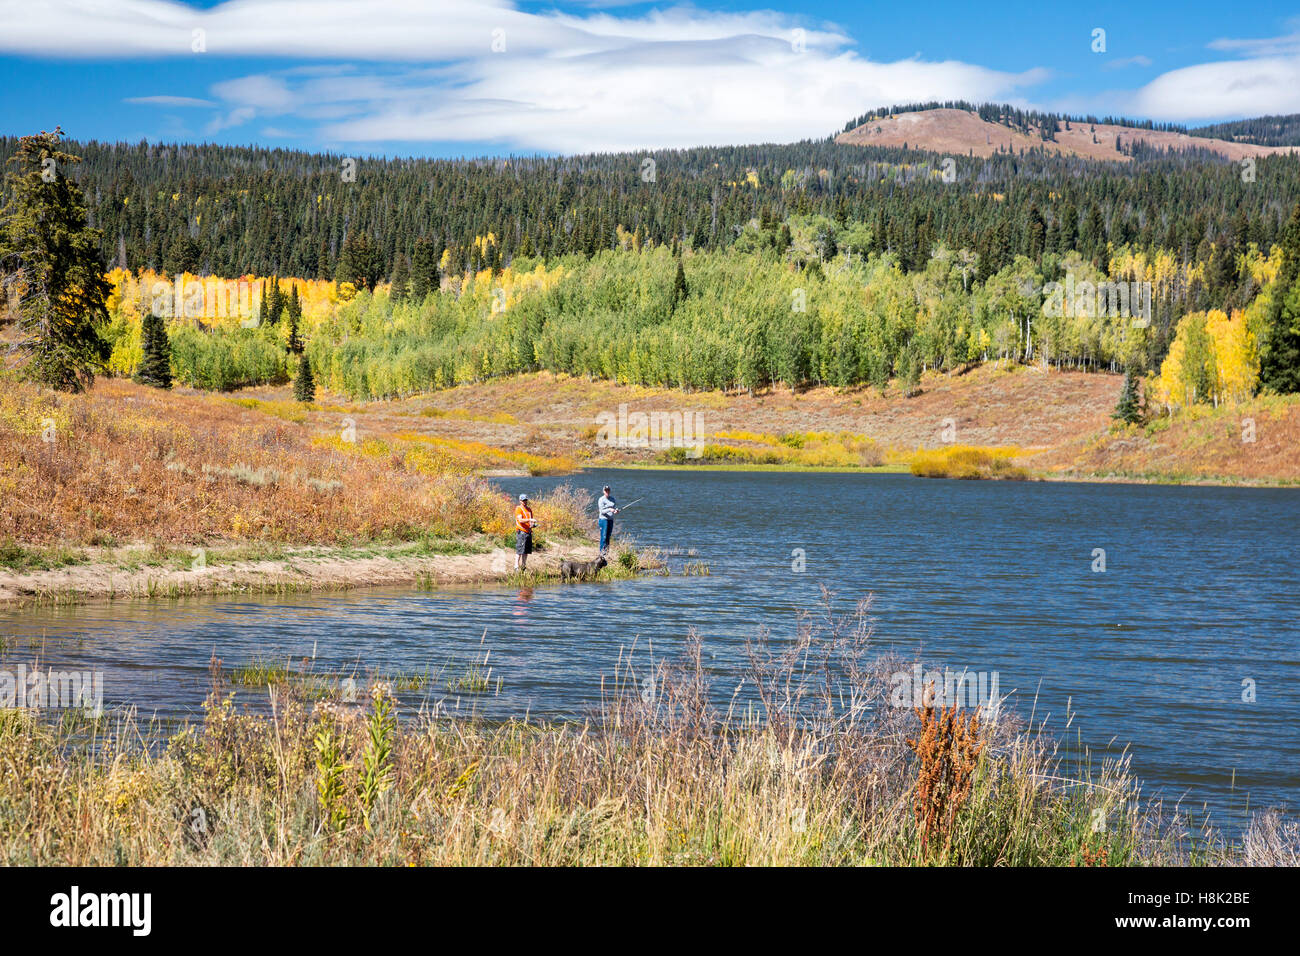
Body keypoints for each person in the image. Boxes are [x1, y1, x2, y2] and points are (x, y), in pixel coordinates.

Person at [514, 494, 537, 570]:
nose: (525, 501)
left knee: (526, 551)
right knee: (520, 550)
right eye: (523, 500)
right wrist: (530, 520)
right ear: (520, 501)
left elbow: (531, 521)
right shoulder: (518, 509)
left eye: (525, 500)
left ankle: (523, 566)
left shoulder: (529, 509)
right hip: (521, 532)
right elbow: (520, 520)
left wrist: (533, 525)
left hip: (528, 532)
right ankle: (516, 567)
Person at [597, 485, 619, 555]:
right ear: (603, 491)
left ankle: (606, 553)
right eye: (606, 490)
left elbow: (614, 509)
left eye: (608, 490)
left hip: (610, 520)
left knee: (608, 537)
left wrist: (616, 511)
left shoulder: (613, 499)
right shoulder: (601, 499)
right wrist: (610, 509)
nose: (607, 492)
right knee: (603, 537)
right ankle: (601, 554)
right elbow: (602, 511)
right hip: (603, 520)